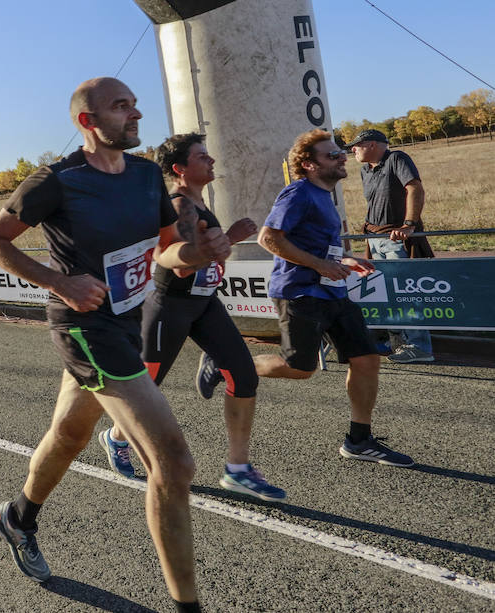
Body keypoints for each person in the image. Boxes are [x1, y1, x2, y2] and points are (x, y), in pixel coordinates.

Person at [0, 77, 229, 613]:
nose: (136, 114)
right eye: (122, 107)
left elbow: (167, 252)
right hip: (83, 327)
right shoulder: (56, 179)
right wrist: (57, 281)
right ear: (88, 122)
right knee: (175, 463)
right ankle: (188, 606)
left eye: (136, 105)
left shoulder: (144, 176)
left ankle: (17, 516)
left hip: (125, 322)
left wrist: (199, 254)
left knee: (69, 435)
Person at [101, 133, 285, 502]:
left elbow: (210, 258)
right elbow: (183, 267)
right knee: (147, 387)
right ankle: (116, 437)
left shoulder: (200, 205)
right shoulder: (178, 206)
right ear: (179, 169)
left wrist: (223, 242)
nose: (211, 160)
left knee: (244, 376)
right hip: (171, 304)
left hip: (205, 303)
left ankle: (238, 469)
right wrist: (230, 237)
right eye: (202, 157)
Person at [255, 129, 414, 467]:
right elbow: (268, 238)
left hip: (332, 292)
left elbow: (320, 247)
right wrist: (320, 266)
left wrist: (344, 260)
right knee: (300, 369)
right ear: (309, 164)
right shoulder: (297, 193)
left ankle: (359, 440)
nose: (342, 156)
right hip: (300, 292)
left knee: (367, 358)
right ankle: (229, 362)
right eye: (332, 155)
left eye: (341, 152)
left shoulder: (323, 195)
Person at [347, 128, 435, 363]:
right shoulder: (365, 170)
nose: (353, 149)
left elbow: (415, 188)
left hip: (397, 239)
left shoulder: (397, 158)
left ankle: (420, 346)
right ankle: (398, 342)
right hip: (375, 239)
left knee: (408, 292)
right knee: (388, 294)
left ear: (373, 144)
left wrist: (409, 225)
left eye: (357, 145)